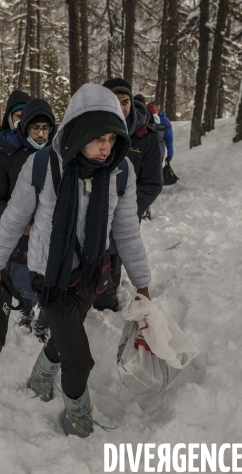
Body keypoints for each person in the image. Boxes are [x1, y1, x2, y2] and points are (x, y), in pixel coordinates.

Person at [0, 84, 152, 438]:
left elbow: (126, 232)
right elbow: (13, 219)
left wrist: (142, 282)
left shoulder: (121, 173)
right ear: (77, 132)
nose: (107, 147)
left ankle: (40, 375)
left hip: (91, 273)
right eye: (98, 138)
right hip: (49, 274)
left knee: (64, 337)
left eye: (112, 136)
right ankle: (75, 410)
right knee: (80, 358)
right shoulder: (42, 166)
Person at [0, 98, 54, 341]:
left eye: (46, 128)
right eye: (35, 128)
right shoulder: (5, 152)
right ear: (24, 127)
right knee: (23, 283)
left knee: (50, 285)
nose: (41, 134)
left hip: (51, 236)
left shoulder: (60, 153)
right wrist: (19, 225)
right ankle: (24, 310)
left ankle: (44, 322)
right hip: (19, 239)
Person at [93, 78, 163, 312]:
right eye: (115, 101)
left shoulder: (147, 137)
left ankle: (107, 303)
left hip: (126, 215)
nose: (121, 106)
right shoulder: (92, 132)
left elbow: (152, 183)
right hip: (93, 213)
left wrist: (129, 208)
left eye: (125, 102)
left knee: (115, 256)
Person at [0, 90, 32, 235]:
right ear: (10, 118)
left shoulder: (43, 141)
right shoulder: (0, 144)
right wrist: (14, 222)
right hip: (14, 227)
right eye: (18, 116)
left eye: (25, 115)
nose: (22, 120)